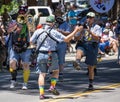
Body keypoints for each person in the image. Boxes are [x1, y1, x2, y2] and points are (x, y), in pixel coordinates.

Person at [30, 15, 82, 99]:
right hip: (51, 54)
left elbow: (31, 41)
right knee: (56, 71)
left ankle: (41, 94)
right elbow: (66, 39)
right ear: (53, 23)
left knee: (42, 74)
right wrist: (75, 31)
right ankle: (52, 87)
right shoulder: (54, 32)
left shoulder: (38, 31)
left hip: (40, 54)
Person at [73, 12, 102, 90]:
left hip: (92, 45)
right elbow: (76, 38)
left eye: (91, 18)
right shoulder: (81, 26)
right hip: (83, 43)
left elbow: (97, 38)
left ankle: (91, 83)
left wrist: (90, 31)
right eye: (88, 17)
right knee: (79, 50)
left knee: (91, 67)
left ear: (94, 19)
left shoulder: (97, 27)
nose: (89, 19)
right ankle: (77, 62)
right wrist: (80, 32)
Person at [8, 5, 31, 90]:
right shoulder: (13, 21)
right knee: (12, 64)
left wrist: (27, 22)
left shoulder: (29, 20)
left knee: (25, 64)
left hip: (26, 46)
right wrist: (16, 26)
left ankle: (25, 83)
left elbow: (32, 31)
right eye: (20, 12)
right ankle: (13, 80)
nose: (22, 13)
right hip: (15, 46)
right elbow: (8, 31)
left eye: (24, 12)